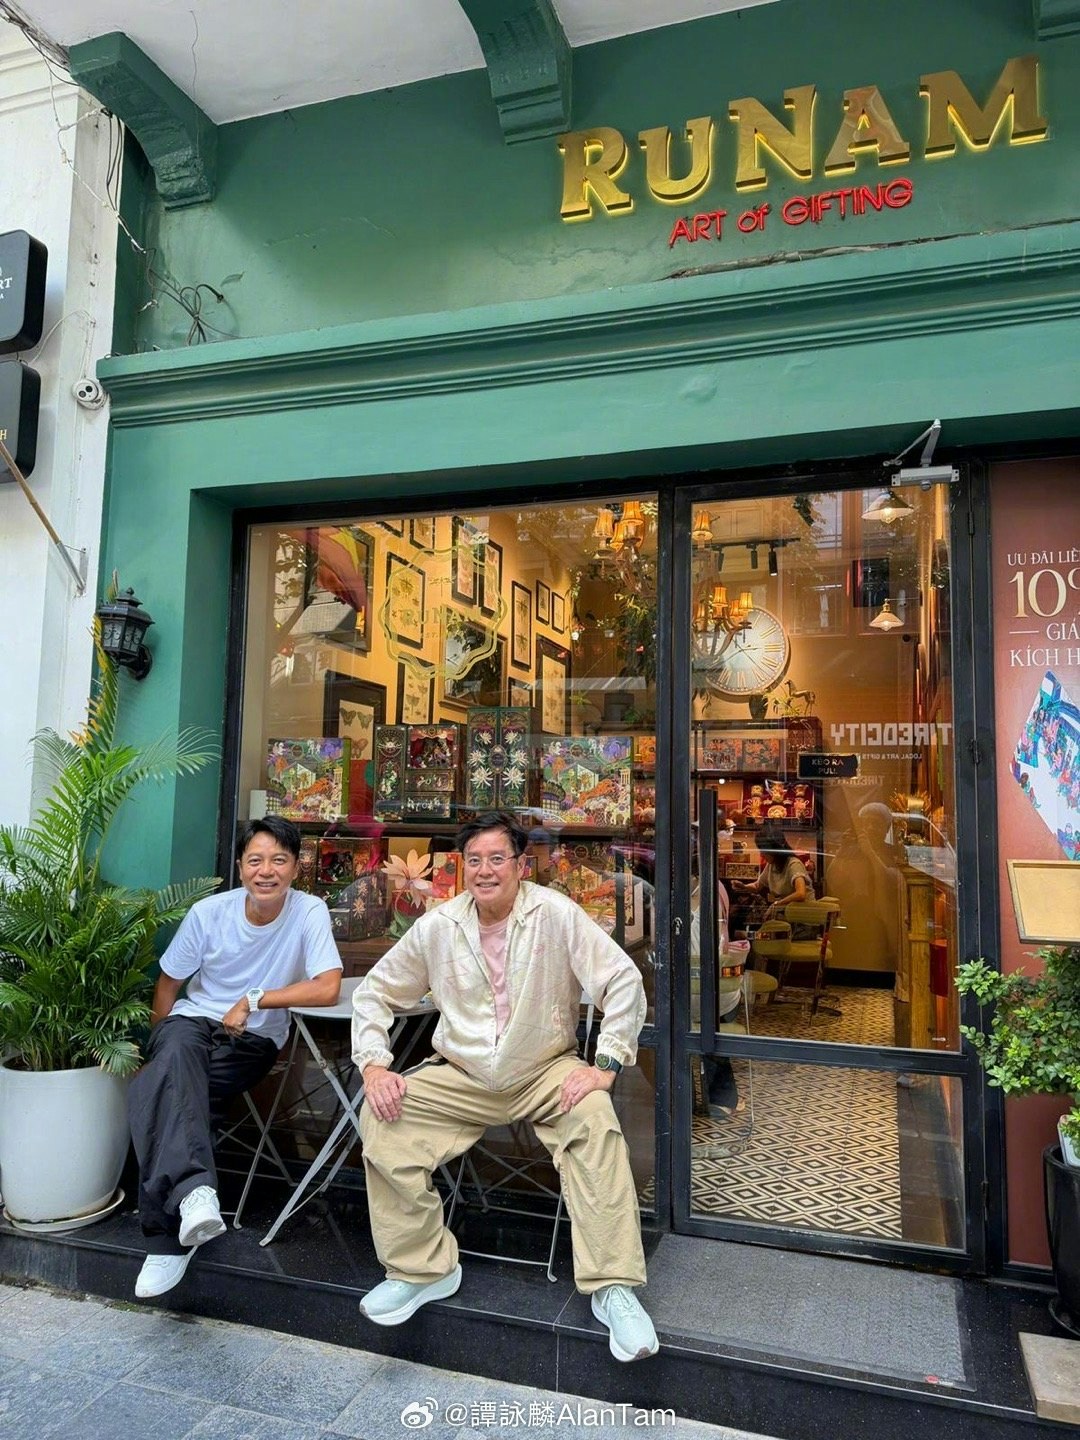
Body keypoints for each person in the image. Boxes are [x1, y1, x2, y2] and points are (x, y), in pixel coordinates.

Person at [352, 811, 658, 1363]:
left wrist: (605, 1066)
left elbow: (622, 980)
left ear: (521, 865)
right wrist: (375, 1066)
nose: (485, 870)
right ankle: (422, 1270)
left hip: (544, 1070)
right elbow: (375, 993)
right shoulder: (439, 925)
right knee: (385, 1117)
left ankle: (614, 1286)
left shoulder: (554, 913)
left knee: (593, 1119)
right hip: (464, 1075)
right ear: (461, 866)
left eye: (498, 858)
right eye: (474, 860)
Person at [128, 815, 342, 1300]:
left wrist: (254, 998)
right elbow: (168, 985)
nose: (266, 871)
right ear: (240, 866)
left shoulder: (308, 911)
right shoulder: (209, 913)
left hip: (251, 1039)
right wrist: (157, 1047)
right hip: (190, 1026)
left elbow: (327, 987)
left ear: (296, 867)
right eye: (255, 860)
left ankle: (173, 1231)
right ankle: (193, 1201)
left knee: (166, 1087)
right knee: (174, 1060)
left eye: (279, 860)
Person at [730, 824, 811, 920]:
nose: (761, 854)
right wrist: (743, 886)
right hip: (788, 916)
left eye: (764, 850)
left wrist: (776, 904)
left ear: (775, 850)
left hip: (804, 917)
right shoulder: (772, 865)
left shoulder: (793, 864)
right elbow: (757, 886)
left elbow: (801, 894)